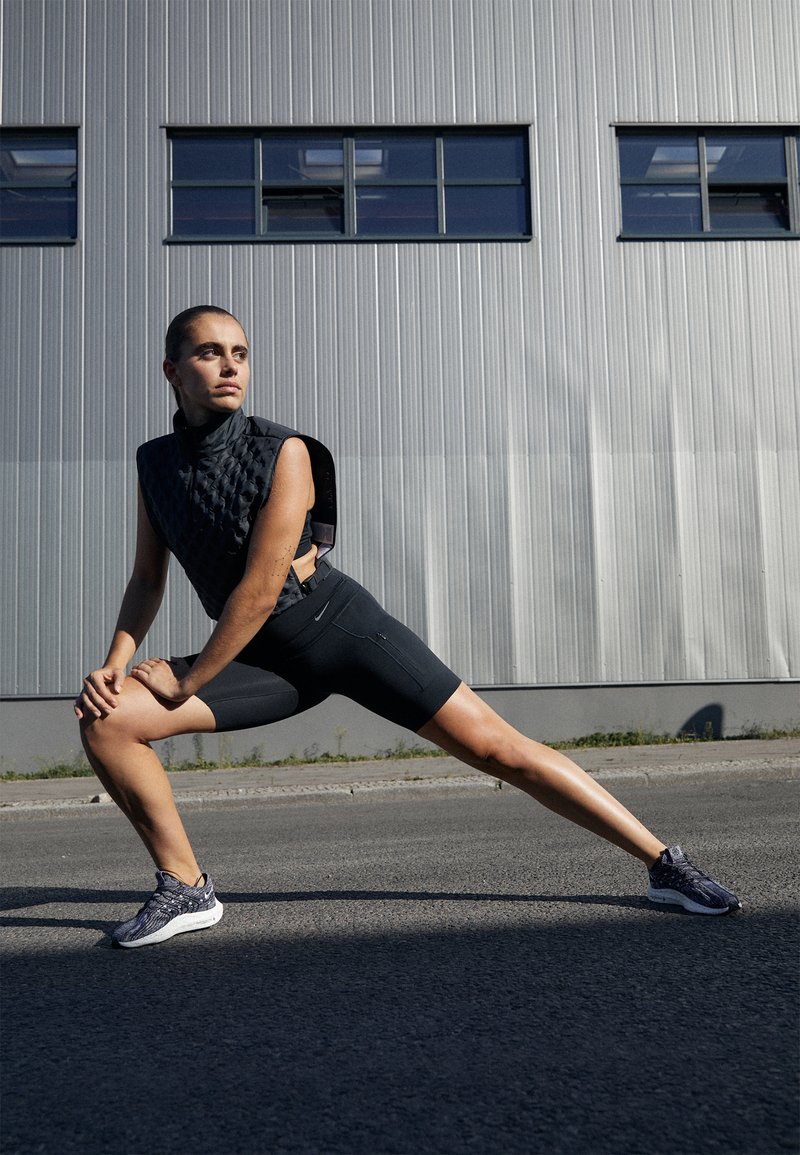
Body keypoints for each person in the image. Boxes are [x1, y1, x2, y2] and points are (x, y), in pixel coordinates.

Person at [75, 305, 741, 948]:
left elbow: (260, 585)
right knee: (105, 718)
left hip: (338, 629)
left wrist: (189, 678)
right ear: (172, 370)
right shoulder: (153, 463)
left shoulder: (285, 451)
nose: (229, 366)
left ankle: (663, 862)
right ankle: (187, 885)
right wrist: (115, 662)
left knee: (497, 749)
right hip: (259, 660)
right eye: (209, 352)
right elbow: (147, 578)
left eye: (240, 354)